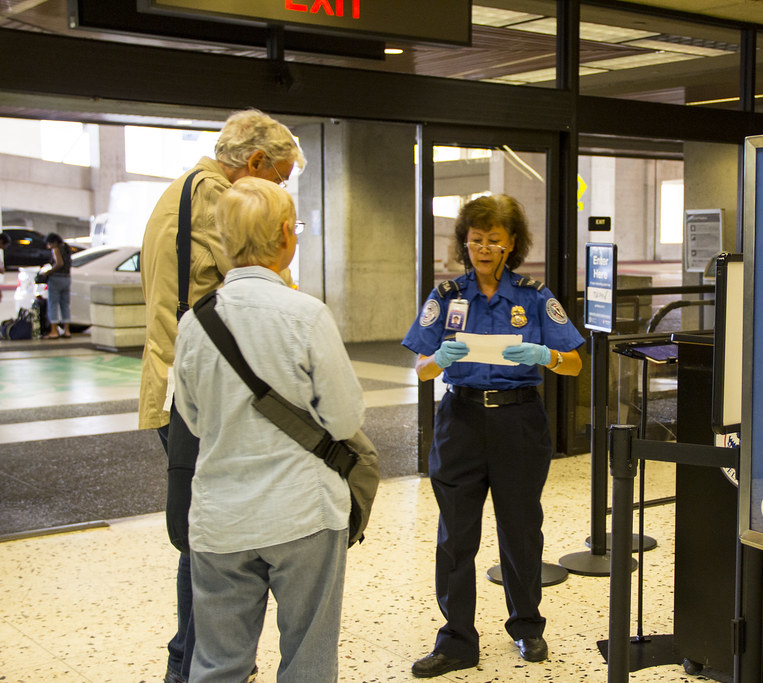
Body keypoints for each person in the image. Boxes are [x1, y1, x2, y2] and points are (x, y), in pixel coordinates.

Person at [173, 176, 363, 681]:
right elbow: (345, 419)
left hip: (220, 520)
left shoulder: (195, 323)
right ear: (284, 235)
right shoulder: (307, 315)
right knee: (308, 660)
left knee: (218, 662)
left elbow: (193, 420)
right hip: (303, 512)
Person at [139, 109, 305, 683]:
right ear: (255, 162)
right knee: (208, 541)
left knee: (206, 532)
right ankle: (193, 665)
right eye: (279, 180)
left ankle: (196, 661)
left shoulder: (182, 190)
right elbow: (259, 286)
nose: (278, 198)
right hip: (201, 398)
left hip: (181, 385)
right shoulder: (216, 198)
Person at [402, 194, 584, 678]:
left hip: (518, 421)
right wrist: (438, 360)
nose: (483, 248)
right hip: (460, 420)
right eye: (476, 239)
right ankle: (457, 640)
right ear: (465, 242)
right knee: (455, 534)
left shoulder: (534, 296)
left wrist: (545, 356)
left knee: (520, 530)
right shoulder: (446, 296)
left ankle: (527, 625)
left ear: (511, 244)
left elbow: (574, 363)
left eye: (493, 240)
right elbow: (421, 368)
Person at [43, 232, 72, 338]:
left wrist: (49, 272)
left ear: (54, 242)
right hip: (67, 278)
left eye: (49, 244)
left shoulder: (56, 249)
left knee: (53, 304)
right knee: (65, 305)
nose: (48, 246)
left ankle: (54, 331)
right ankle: (67, 331)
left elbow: (59, 263)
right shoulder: (66, 249)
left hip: (56, 279)